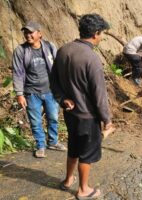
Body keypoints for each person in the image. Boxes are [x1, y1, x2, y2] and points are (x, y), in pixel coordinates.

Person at [50, 14, 115, 199]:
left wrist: (62, 98)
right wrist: (106, 120)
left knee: (74, 147)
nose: (101, 37)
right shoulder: (91, 58)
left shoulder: (63, 50)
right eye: (102, 33)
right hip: (87, 117)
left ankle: (68, 180)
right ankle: (83, 189)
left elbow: (52, 80)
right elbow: (99, 94)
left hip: (71, 114)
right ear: (96, 33)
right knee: (87, 153)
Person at [12, 21, 66, 158]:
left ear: (39, 34)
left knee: (53, 118)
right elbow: (17, 73)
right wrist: (19, 94)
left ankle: (53, 142)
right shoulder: (20, 51)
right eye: (25, 32)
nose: (27, 35)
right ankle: (40, 145)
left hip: (50, 91)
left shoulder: (49, 47)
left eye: (31, 32)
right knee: (35, 121)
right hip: (31, 93)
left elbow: (59, 65)